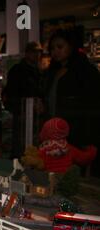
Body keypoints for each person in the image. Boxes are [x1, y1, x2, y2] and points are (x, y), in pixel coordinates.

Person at [44, 28, 100, 177]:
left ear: (71, 46)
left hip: (77, 130)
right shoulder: (53, 70)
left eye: (60, 47)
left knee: (73, 174)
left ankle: (66, 201)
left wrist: (88, 136)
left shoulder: (85, 70)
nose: (55, 51)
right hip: (55, 130)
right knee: (56, 171)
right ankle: (58, 200)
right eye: (53, 48)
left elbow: (93, 103)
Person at [3, 41, 44, 158]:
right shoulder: (18, 70)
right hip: (22, 112)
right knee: (20, 144)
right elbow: (11, 92)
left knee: (32, 144)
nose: (37, 55)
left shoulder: (37, 70)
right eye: (34, 52)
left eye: (38, 52)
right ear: (27, 53)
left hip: (33, 113)